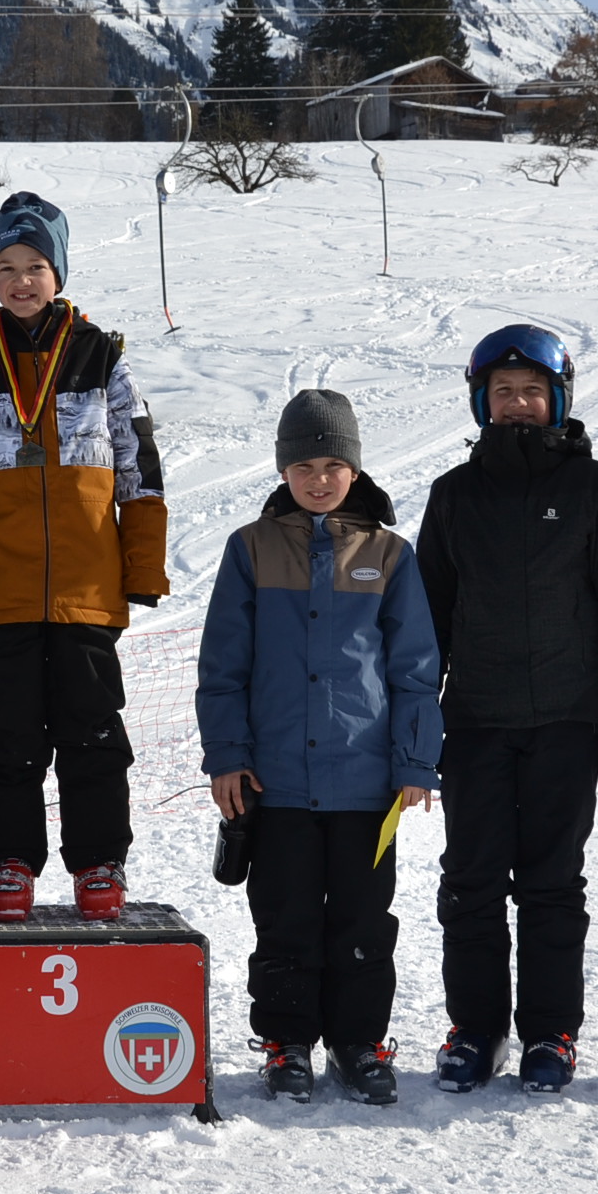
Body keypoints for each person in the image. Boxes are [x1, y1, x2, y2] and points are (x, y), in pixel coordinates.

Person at [413, 324, 598, 1095]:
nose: (518, 404)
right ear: (481, 402)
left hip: (566, 721)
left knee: (552, 884)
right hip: (475, 723)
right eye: (503, 392)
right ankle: (475, 1030)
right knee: (470, 884)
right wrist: (418, 721)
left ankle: (551, 1032)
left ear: (558, 399)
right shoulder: (454, 495)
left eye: (532, 392)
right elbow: (426, 618)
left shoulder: (595, 490)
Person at [0, 193, 169, 922]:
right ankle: (8, 864)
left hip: (87, 590)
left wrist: (141, 569)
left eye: (35, 266)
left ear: (58, 272)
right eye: (6, 267)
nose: (21, 280)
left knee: (95, 735)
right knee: (8, 740)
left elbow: (139, 469)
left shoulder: (101, 358)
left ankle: (99, 864)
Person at [197, 389, 442, 1103]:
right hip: (275, 782)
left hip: (367, 784)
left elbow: (415, 670)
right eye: (304, 465)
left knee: (364, 921)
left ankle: (358, 1042)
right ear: (283, 471)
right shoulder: (250, 548)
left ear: (355, 470)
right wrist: (228, 754)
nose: (319, 478)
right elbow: (223, 664)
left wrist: (415, 761)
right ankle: (287, 1041)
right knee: (286, 918)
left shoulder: (388, 554)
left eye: (334, 465)